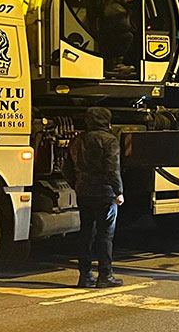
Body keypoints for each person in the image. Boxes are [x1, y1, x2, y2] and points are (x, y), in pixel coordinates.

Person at [62, 107, 125, 288]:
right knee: (105, 235)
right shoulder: (110, 141)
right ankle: (105, 275)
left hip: (84, 192)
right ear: (106, 121)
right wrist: (118, 191)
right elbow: (112, 168)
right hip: (105, 193)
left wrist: (76, 184)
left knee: (86, 233)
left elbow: (66, 167)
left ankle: (85, 276)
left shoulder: (77, 140)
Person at [101, 0, 136, 77]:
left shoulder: (113, 2)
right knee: (128, 36)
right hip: (109, 38)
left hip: (108, 36)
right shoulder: (116, 9)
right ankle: (115, 65)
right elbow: (123, 26)